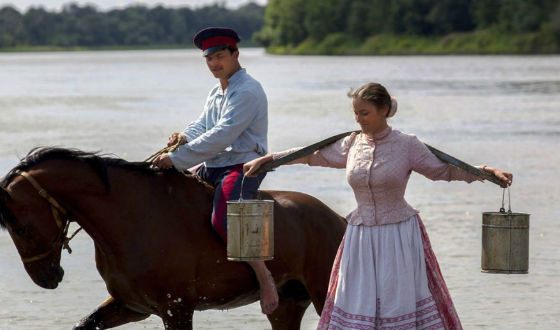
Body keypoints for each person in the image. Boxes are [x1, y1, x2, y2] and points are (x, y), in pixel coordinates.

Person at [244, 82, 513, 329]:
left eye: (365, 113)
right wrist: (270, 159)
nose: (359, 120)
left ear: (384, 110)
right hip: (360, 237)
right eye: (356, 113)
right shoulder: (352, 143)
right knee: (356, 300)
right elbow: (310, 155)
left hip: (398, 236)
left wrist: (486, 172)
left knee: (396, 301)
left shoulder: (407, 145)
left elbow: (445, 170)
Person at [151, 27, 278, 314]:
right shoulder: (217, 90)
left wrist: (177, 159)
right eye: (209, 59)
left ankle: (263, 275)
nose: (214, 64)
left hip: (244, 166)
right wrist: (182, 137)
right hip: (213, 165)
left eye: (220, 56)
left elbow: (223, 134)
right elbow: (203, 125)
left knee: (224, 221)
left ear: (235, 54)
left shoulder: (247, 90)